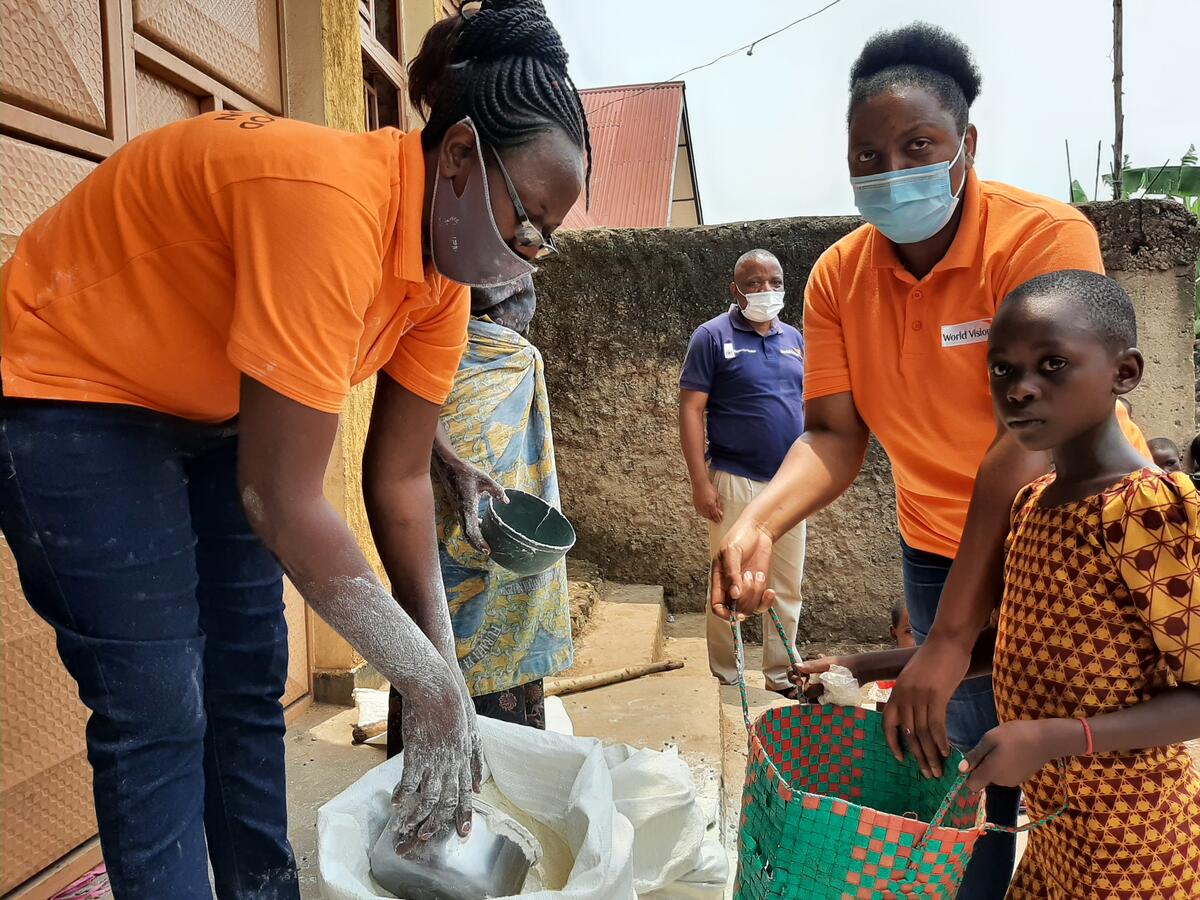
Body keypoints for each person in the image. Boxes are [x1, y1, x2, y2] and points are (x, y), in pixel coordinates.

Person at [0, 2, 591, 895]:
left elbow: (397, 480)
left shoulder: (438, 279)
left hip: (206, 406)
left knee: (245, 679)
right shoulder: (329, 202)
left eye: (545, 241)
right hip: (69, 387)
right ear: (462, 156)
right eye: (528, 223)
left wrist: (444, 680)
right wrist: (423, 685)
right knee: (160, 705)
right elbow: (281, 498)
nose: (529, 253)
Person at [707, 24, 1132, 896]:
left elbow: (1033, 440)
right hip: (936, 549)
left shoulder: (1041, 241)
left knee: (1070, 776)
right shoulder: (837, 277)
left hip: (1058, 550)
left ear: (965, 145)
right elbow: (832, 436)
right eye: (868, 154)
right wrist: (754, 520)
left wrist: (944, 641)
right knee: (955, 779)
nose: (891, 170)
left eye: (918, 147)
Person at [801, 270, 1200, 897]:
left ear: (1123, 374)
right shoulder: (1035, 502)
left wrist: (1058, 737)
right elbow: (1024, 646)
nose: (1021, 390)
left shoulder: (1148, 508)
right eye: (1003, 371)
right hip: (1057, 837)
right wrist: (865, 664)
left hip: (1136, 845)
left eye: (1053, 364)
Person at [386, 274, 572, 756]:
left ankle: (505, 770)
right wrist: (451, 465)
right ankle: (439, 754)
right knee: (436, 619)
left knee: (501, 600)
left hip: (507, 523)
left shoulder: (515, 357)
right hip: (437, 515)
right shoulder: (419, 332)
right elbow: (405, 428)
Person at [679, 249, 807, 696]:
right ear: (734, 290)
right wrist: (700, 481)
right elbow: (691, 410)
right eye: (754, 283)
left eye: (774, 281)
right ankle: (727, 675)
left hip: (790, 485)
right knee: (730, 579)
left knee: (787, 584)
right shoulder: (712, 337)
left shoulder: (795, 339)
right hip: (734, 477)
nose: (765, 291)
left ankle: (779, 678)